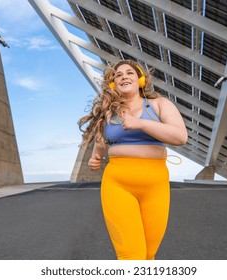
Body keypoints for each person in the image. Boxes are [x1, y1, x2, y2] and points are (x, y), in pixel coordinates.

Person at [78, 60, 188, 260]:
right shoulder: (109, 113)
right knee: (130, 255)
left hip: (155, 185)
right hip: (117, 184)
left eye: (130, 73)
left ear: (141, 80)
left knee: (148, 254)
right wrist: (95, 157)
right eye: (118, 75)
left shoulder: (160, 104)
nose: (124, 77)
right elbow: (101, 141)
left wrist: (140, 124)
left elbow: (180, 137)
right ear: (113, 84)